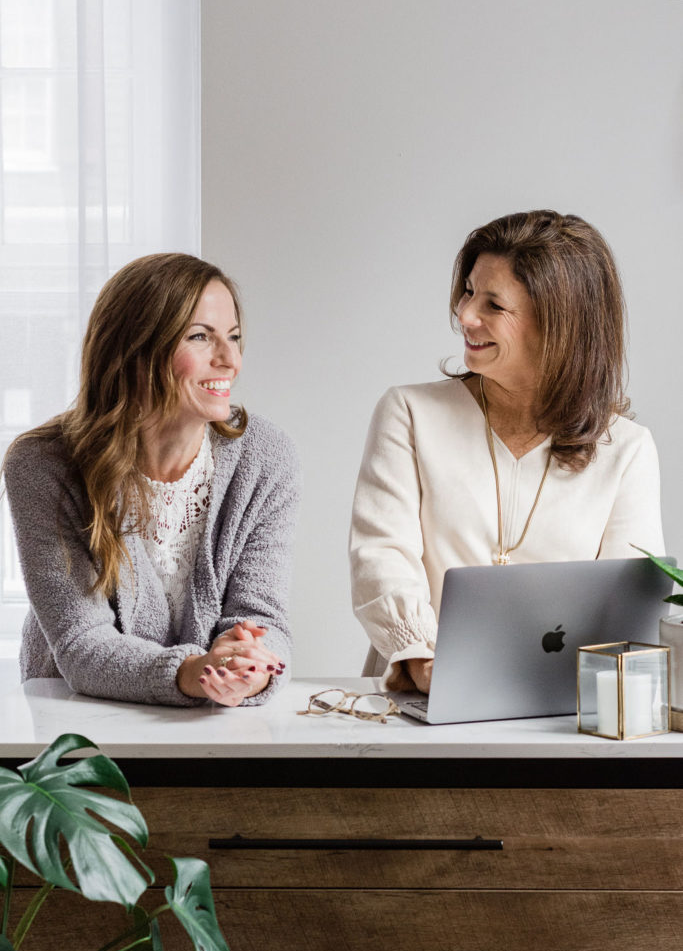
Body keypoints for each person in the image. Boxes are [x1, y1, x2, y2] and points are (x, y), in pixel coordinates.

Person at [349, 210, 665, 693]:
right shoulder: (410, 412)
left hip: (560, 711)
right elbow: (381, 555)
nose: (465, 314)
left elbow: (629, 607)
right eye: (470, 291)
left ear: (559, 325)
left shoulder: (626, 449)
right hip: (422, 701)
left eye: (494, 304)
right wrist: (424, 659)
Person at [3, 253, 300, 707]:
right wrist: (190, 672)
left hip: (207, 722)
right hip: (73, 723)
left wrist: (251, 664)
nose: (230, 360)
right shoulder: (43, 463)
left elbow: (261, 617)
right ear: (134, 350)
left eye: (234, 337)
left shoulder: (265, 457)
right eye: (201, 337)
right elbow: (83, 643)